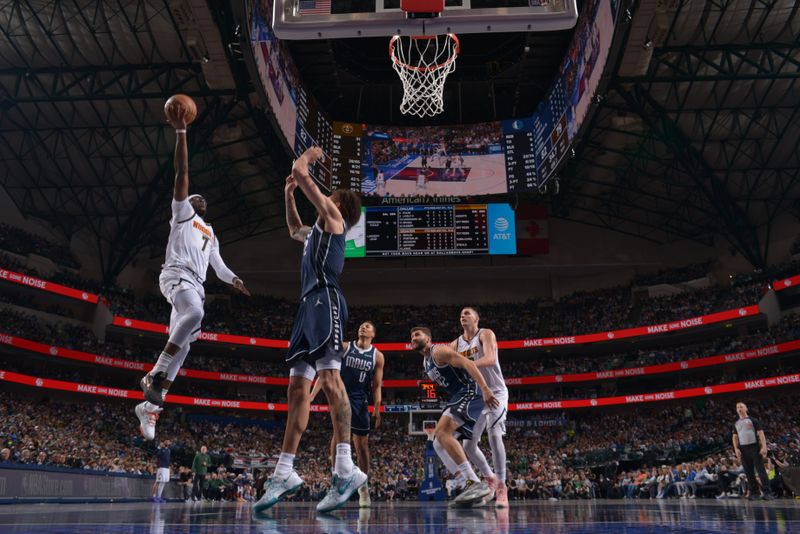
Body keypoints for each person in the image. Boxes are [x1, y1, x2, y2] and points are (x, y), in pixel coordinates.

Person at [253, 146, 364, 514]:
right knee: (297, 389)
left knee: (331, 380)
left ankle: (345, 468)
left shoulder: (333, 218)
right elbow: (292, 229)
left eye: (327, 195)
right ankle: (284, 471)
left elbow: (300, 172)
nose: (324, 196)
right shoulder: (316, 231)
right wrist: (287, 196)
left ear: (337, 204)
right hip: (306, 309)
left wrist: (311, 155)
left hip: (325, 301)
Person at [135, 104, 250, 440]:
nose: (202, 200)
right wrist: (182, 132)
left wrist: (235, 280)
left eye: (203, 200)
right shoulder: (183, 213)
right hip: (176, 275)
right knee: (195, 314)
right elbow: (182, 174)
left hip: (196, 284)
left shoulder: (211, 232)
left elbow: (220, 266)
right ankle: (153, 375)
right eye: (197, 197)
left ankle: (151, 408)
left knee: (184, 347)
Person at [410, 326, 499, 507]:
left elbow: (468, 363)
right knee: (437, 443)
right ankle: (467, 483)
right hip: (460, 395)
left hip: (470, 391)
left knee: (442, 433)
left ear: (428, 339)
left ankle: (474, 482)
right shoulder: (425, 363)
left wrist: (484, 388)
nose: (413, 337)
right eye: (411, 336)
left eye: (417, 334)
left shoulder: (439, 351)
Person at [311, 321, 385, 508]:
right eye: (361, 326)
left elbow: (376, 385)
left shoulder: (377, 356)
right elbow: (326, 373)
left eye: (368, 326)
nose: (363, 327)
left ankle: (363, 488)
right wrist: (311, 396)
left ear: (373, 334)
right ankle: (336, 479)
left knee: (362, 446)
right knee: (338, 437)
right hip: (341, 394)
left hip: (360, 400)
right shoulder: (345, 347)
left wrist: (377, 408)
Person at [452, 307, 510, 508]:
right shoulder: (456, 344)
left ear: (477, 318)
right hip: (476, 397)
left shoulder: (485, 334)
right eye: (461, 314)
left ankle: (502, 486)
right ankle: (490, 479)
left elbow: (491, 359)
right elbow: (444, 360)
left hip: (495, 393)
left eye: (467, 313)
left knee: (494, 435)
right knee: (468, 445)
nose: (463, 315)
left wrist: (465, 364)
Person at [732, 401, 774, 500]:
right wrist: (736, 449)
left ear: (746, 408)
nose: (739, 408)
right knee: (748, 472)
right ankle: (754, 493)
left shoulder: (753, 420)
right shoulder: (736, 423)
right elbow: (734, 437)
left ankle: (767, 492)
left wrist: (764, 447)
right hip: (743, 449)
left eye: (741, 406)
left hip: (754, 447)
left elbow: (761, 434)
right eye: (737, 407)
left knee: (760, 470)